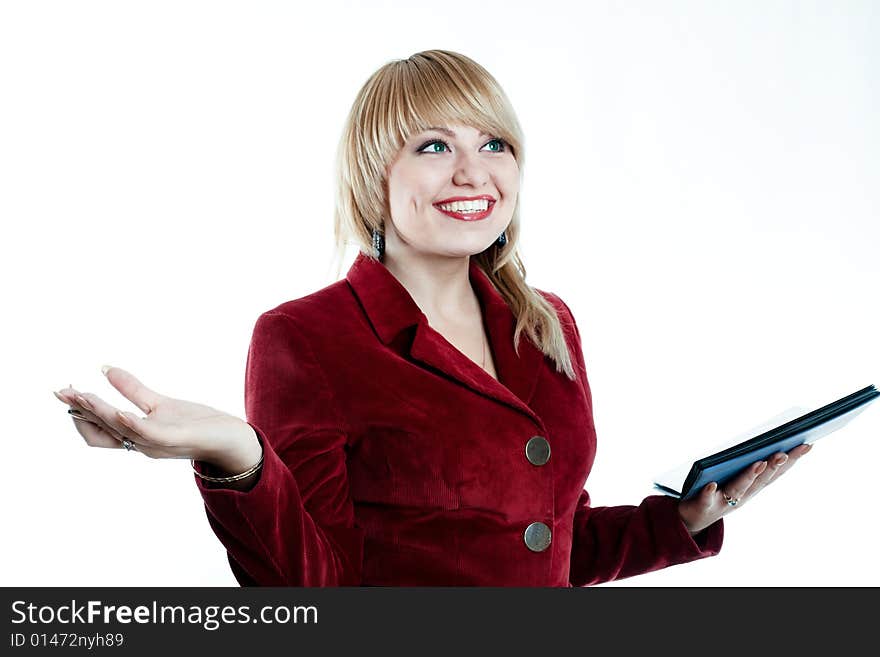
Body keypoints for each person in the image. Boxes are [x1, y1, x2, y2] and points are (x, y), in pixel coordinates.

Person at [53, 49, 812, 586]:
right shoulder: (304, 339)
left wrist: (680, 521)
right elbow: (313, 586)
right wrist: (238, 455)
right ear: (374, 174)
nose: (472, 171)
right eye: (434, 145)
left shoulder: (544, 323)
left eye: (494, 144)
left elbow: (549, 542)